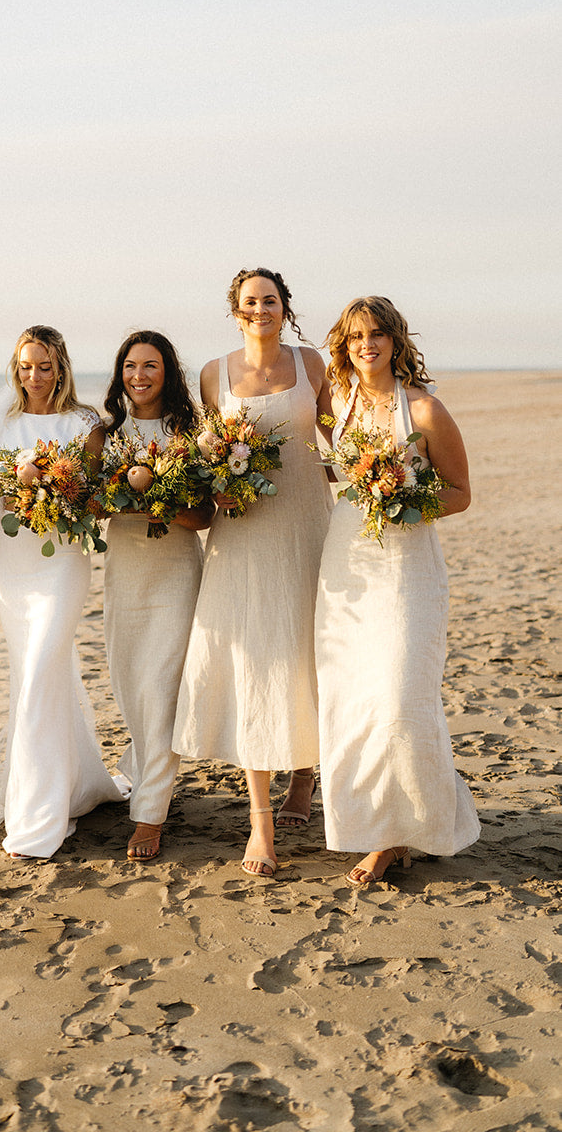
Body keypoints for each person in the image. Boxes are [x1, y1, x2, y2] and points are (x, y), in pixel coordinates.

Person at [0, 324, 128, 859]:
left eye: (44, 366)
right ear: (15, 368)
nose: (34, 376)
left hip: (63, 563)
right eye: (25, 366)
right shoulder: (1, 424)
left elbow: (99, 500)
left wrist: (60, 490)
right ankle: (74, 784)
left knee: (40, 671)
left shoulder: (85, 424)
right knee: (40, 674)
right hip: (13, 564)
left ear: (61, 367)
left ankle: (37, 814)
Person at [173, 269, 332, 878]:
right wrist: (216, 488)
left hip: (306, 522)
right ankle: (260, 818)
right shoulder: (214, 373)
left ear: (285, 308)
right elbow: (200, 453)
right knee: (253, 657)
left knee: (303, 649)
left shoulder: (313, 364)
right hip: (242, 532)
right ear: (235, 311)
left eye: (271, 300)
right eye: (250, 301)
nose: (260, 308)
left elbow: (338, 436)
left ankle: (304, 778)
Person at [315, 297, 479, 885]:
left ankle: (399, 833)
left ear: (396, 340)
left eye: (378, 334)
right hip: (346, 567)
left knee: (401, 697)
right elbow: (329, 471)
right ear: (344, 344)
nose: (367, 345)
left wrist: (405, 500)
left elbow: (460, 493)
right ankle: (381, 827)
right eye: (356, 336)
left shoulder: (426, 410)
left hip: (408, 568)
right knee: (355, 697)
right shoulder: (335, 405)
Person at [101, 331, 211, 861]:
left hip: (173, 572)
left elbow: (206, 516)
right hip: (123, 572)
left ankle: (150, 814)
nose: (139, 376)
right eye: (130, 366)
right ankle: (142, 768)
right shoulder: (105, 435)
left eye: (150, 365)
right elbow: (89, 507)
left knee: (160, 690)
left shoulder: (188, 433)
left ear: (168, 371)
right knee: (129, 685)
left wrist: (165, 506)